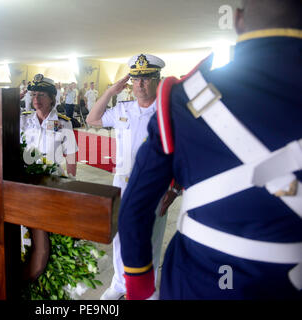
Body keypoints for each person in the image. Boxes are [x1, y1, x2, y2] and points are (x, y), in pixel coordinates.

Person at [119, 0, 302, 300]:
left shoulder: (183, 97)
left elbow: (134, 209)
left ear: (238, 20)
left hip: (198, 283)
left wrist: (141, 290)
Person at [87, 54, 179, 300]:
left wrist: (176, 188)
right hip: (122, 184)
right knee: (120, 236)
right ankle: (120, 283)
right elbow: (92, 119)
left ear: (157, 80)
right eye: (136, 79)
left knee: (150, 237)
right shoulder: (122, 109)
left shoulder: (168, 111)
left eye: (147, 78)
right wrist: (111, 91)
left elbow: (183, 151)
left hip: (156, 187)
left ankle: (148, 289)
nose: (140, 84)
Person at [20, 74, 78, 281]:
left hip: (52, 181)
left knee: (46, 229)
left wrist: (71, 184)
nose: (36, 99)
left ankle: (42, 269)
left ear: (53, 98)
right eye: (33, 94)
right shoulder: (23, 119)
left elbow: (71, 155)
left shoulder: (63, 122)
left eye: (41, 94)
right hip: (25, 181)